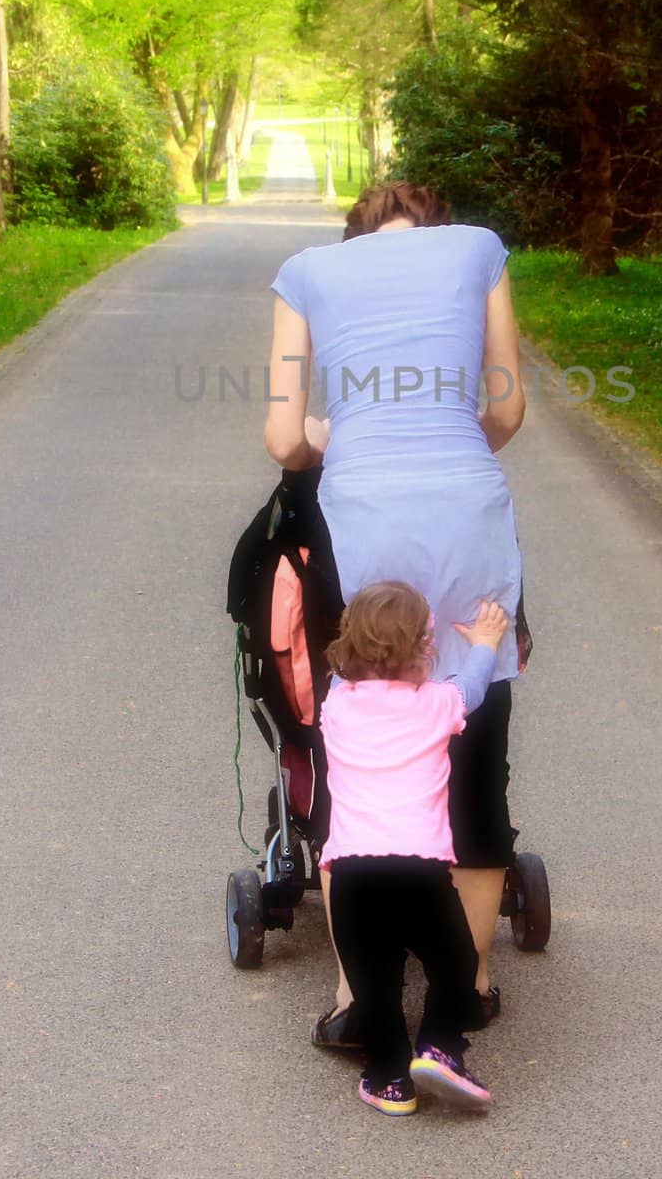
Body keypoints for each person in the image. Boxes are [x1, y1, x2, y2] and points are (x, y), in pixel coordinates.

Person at [264, 180, 527, 1047]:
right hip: (464, 507)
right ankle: (474, 985)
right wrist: (450, 438)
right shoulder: (478, 248)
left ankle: (353, 993)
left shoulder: (307, 271)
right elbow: (506, 409)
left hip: (364, 513)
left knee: (368, 719)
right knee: (473, 725)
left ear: (356, 236)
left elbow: (283, 440)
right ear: (435, 228)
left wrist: (335, 439)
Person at [321, 580, 508, 1116]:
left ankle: (388, 1079)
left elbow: (343, 674)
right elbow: (473, 686)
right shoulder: (437, 704)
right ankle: (439, 1048)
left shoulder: (337, 704)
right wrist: (485, 641)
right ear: (426, 649)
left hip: (353, 874)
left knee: (374, 983)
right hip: (419, 870)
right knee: (454, 964)